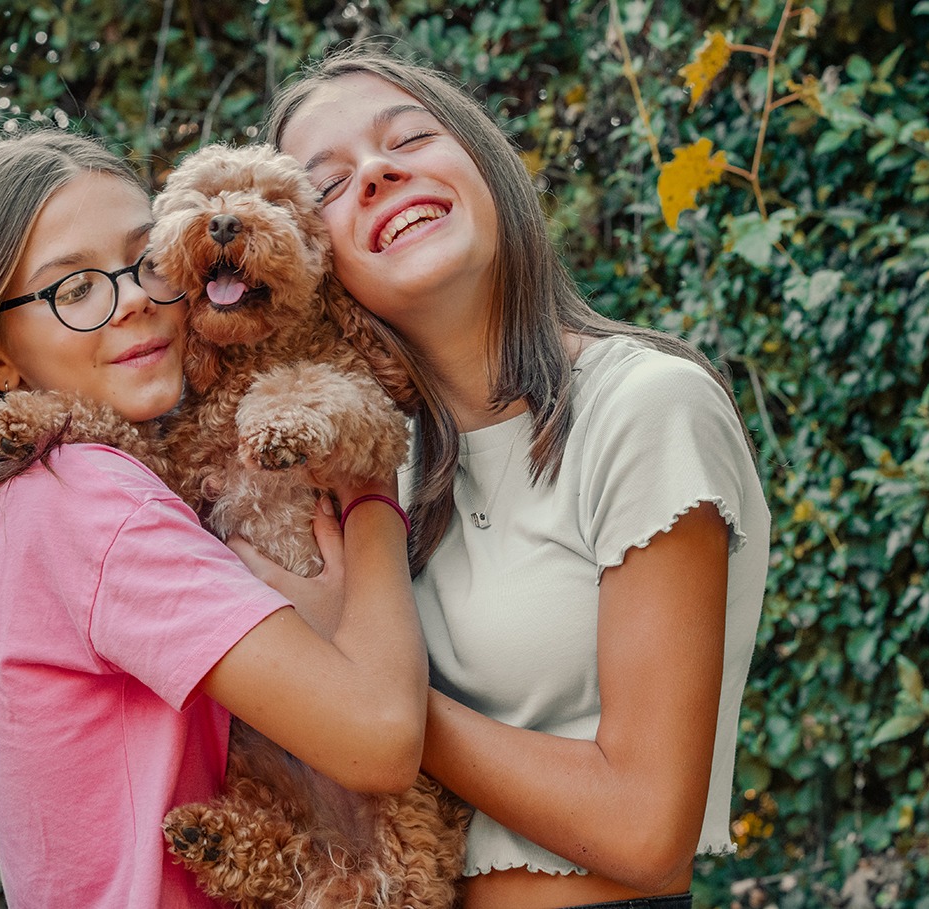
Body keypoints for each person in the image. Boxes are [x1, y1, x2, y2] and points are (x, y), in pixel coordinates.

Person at [254, 49, 770, 909]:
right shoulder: (360, 472)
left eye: (408, 138)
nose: (377, 172)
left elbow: (646, 831)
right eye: (329, 186)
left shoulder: (645, 407)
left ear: (486, 163)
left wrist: (358, 691)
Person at [0, 130, 429, 908]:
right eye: (74, 289)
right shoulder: (89, 500)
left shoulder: (25, 494)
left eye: (148, 264)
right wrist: (370, 498)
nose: (134, 297)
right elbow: (382, 739)